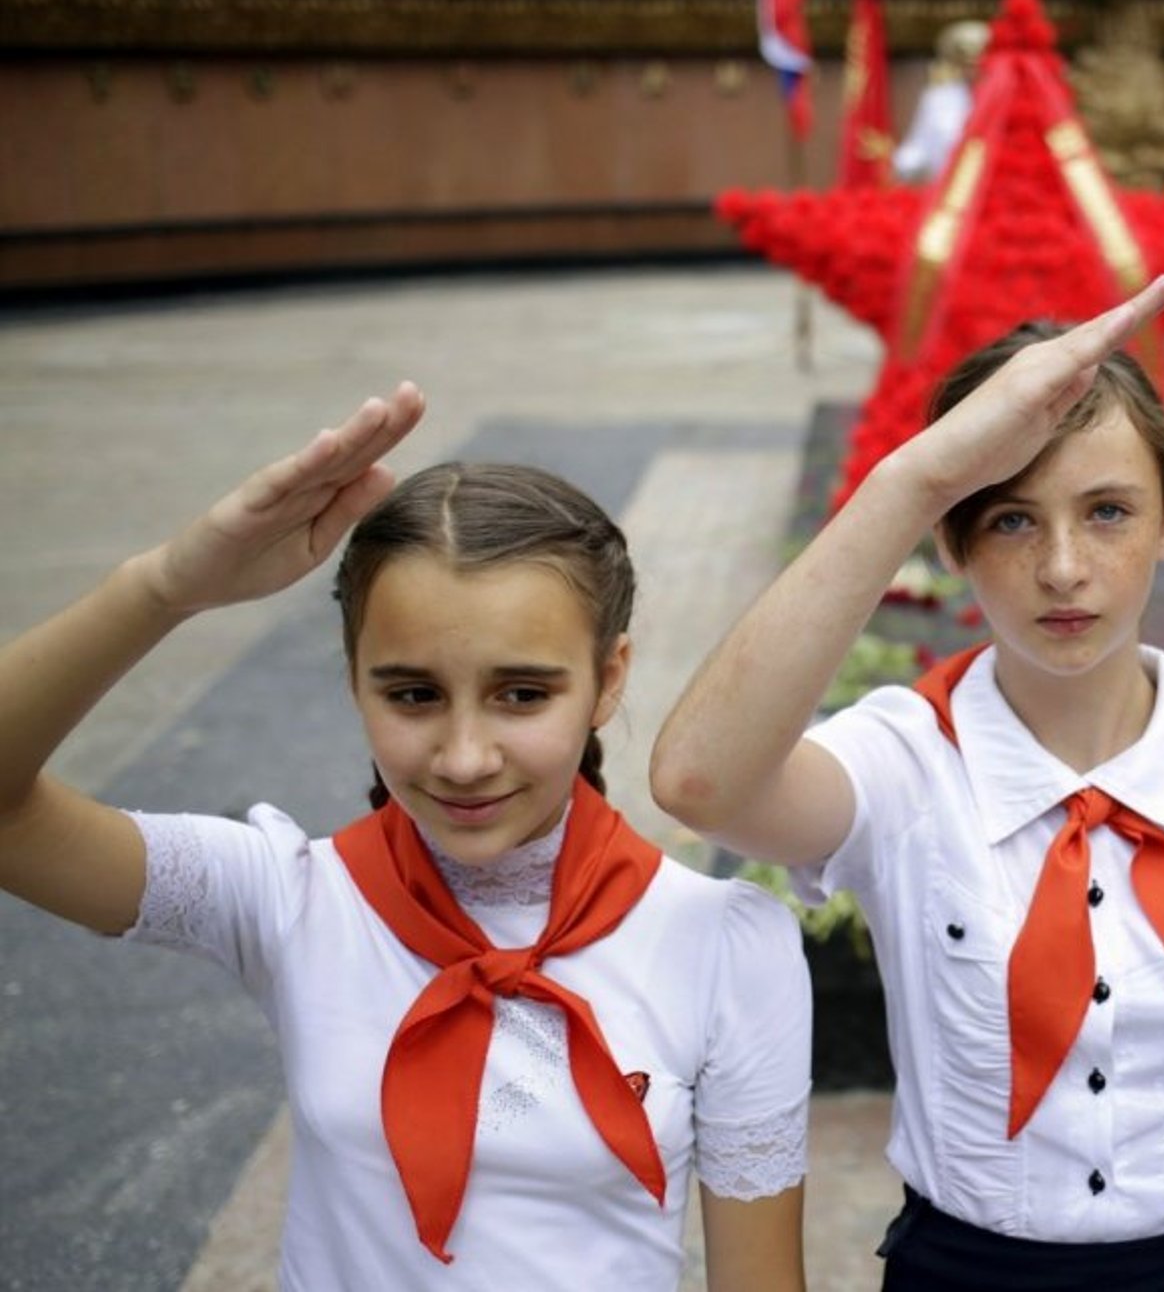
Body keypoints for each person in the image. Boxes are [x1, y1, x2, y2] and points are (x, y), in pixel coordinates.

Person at [0, 386, 811, 1289]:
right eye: (413, 695)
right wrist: (164, 588)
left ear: (608, 679)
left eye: (523, 694)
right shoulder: (289, 895)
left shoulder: (726, 946)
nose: (464, 759)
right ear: (354, 679)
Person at [653, 270, 1164, 1291]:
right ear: (952, 539)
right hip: (963, 1267)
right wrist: (910, 479)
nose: (1064, 566)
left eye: (1107, 511)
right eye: (1011, 521)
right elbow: (696, 778)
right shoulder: (900, 763)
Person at [893, 19, 989, 183]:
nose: (973, 70)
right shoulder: (938, 98)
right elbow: (919, 146)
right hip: (944, 187)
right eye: (966, 64)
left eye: (978, 64)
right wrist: (904, 166)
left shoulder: (1006, 96)